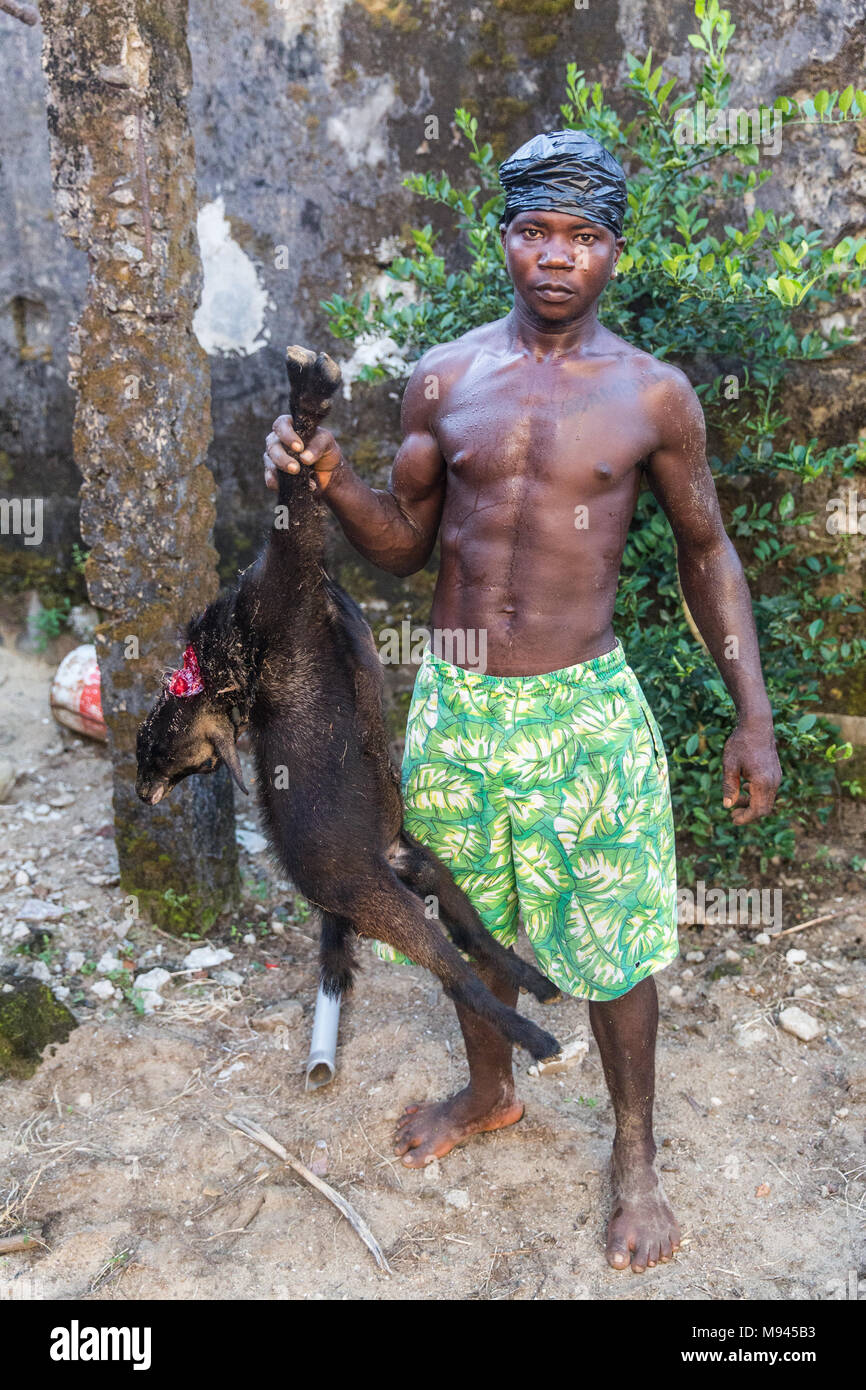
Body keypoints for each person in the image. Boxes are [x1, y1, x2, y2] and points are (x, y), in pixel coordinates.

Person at [263, 130, 782, 1274]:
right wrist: (333, 477)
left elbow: (707, 549)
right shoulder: (444, 378)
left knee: (612, 948)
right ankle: (493, 1088)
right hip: (456, 702)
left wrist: (750, 712)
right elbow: (404, 550)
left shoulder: (653, 394)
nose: (555, 256)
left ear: (612, 251)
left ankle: (633, 1153)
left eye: (581, 236)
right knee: (471, 922)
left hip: (583, 710)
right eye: (534, 231)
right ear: (502, 238)